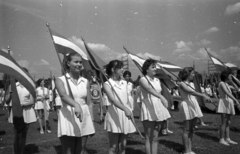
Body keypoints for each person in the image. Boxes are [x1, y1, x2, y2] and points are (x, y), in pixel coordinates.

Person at [55, 52, 95, 154]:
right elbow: (63, 95)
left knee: (81, 150)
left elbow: (89, 103)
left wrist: (92, 121)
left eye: (80, 62)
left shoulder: (85, 81)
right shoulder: (60, 80)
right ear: (68, 63)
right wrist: (76, 105)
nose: (79, 64)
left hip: (84, 116)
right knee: (69, 151)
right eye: (75, 62)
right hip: (68, 116)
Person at [103, 60, 136, 154]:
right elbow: (113, 100)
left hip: (125, 115)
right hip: (114, 115)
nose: (123, 69)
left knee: (123, 146)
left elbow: (127, 99)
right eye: (120, 67)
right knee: (113, 147)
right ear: (113, 69)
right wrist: (125, 109)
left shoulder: (124, 83)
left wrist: (129, 110)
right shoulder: (107, 84)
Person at [139, 59, 171, 154]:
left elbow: (161, 91)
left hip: (158, 107)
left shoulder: (157, 80)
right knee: (148, 137)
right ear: (146, 69)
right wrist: (161, 97)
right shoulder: (143, 79)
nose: (155, 69)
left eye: (155, 66)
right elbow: (149, 89)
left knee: (155, 137)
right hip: (149, 108)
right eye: (153, 67)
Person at [178, 67, 211, 154]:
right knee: (186, 129)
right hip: (186, 105)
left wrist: (204, 96)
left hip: (193, 104)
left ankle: (190, 149)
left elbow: (193, 93)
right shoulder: (181, 83)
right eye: (192, 73)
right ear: (187, 74)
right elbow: (190, 92)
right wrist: (203, 95)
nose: (194, 75)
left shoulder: (192, 84)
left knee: (192, 129)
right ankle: (186, 151)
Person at [5, 68, 37, 154]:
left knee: (23, 134)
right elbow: (7, 101)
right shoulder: (13, 85)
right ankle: (16, 152)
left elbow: (33, 100)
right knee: (17, 134)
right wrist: (10, 94)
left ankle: (21, 151)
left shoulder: (30, 86)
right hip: (16, 111)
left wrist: (26, 103)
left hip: (27, 110)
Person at [217, 70, 240, 146]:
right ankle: (221, 139)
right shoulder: (221, 83)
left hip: (228, 102)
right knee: (224, 122)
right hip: (224, 102)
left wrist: (233, 81)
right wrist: (235, 100)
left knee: (228, 122)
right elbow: (227, 92)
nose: (231, 77)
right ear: (226, 76)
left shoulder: (227, 84)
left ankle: (228, 138)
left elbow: (237, 89)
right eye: (230, 76)